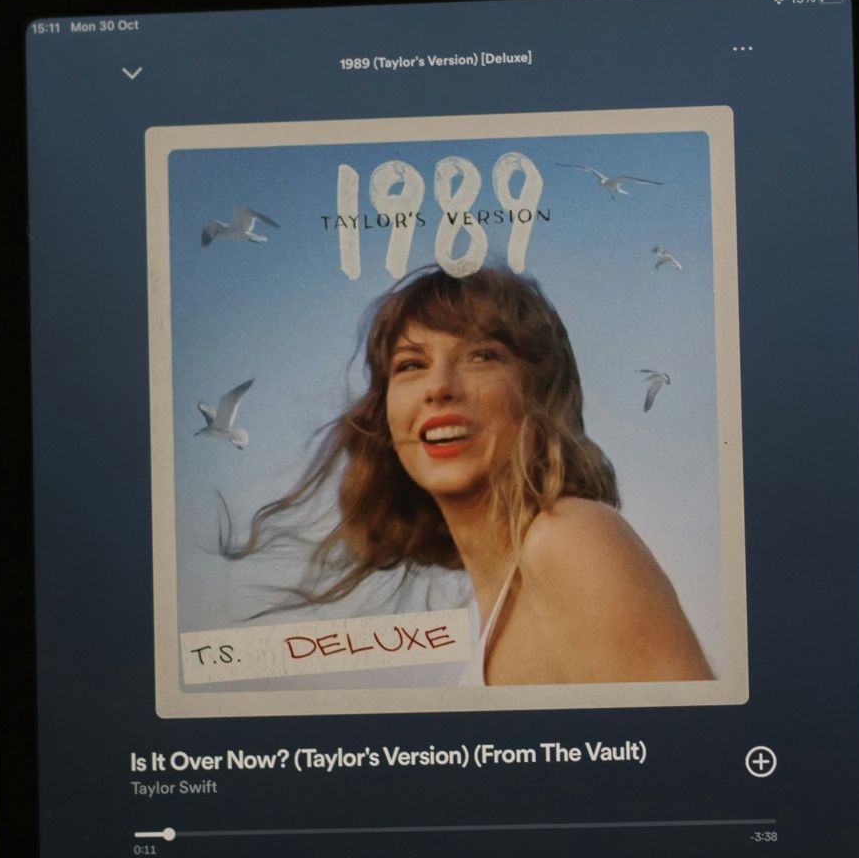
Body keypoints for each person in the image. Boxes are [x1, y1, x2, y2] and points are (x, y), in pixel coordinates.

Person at [224, 264, 711, 685]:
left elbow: (683, 749)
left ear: (538, 392)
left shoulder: (569, 536)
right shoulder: (510, 590)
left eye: (482, 356)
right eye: (410, 365)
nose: (439, 387)